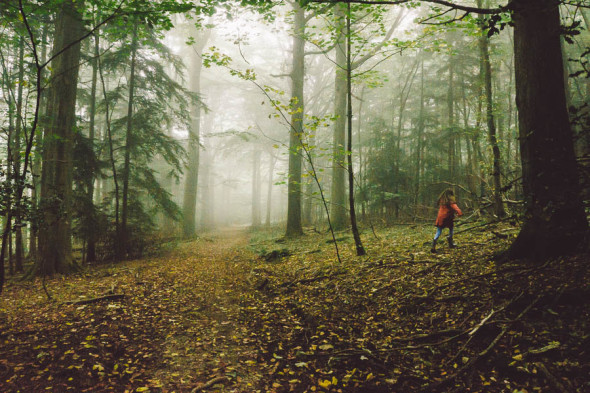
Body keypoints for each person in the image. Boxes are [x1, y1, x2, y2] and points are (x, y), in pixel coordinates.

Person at [431, 188, 463, 253]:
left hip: (440, 217)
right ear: (451, 195)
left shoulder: (442, 201)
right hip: (447, 218)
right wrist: (460, 214)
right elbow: (457, 209)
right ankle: (450, 243)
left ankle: (433, 245)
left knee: (439, 231)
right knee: (451, 229)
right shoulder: (451, 202)